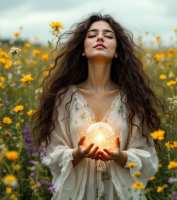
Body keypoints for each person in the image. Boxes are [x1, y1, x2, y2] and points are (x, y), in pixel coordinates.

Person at [32, 12, 168, 200]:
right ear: (82, 49)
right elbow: (51, 154)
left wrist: (120, 156)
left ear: (118, 51)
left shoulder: (133, 98)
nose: (100, 37)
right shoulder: (64, 97)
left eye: (109, 35)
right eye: (92, 34)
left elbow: (147, 157)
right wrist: (77, 153)